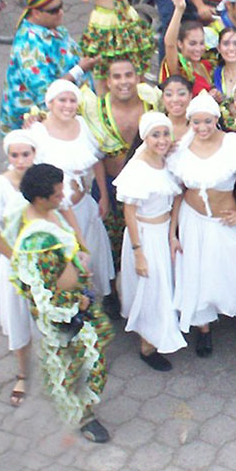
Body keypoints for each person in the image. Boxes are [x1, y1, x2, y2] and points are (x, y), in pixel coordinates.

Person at [168, 91, 236, 363]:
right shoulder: (181, 148)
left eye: (207, 121)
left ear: (216, 119)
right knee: (195, 273)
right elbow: (179, 192)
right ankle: (203, 328)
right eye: (196, 122)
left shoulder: (233, 145)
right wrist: (173, 232)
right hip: (192, 220)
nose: (202, 127)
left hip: (223, 222)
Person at [9, 163, 114, 443]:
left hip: (79, 298)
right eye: (57, 194)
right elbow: (41, 291)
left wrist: (80, 259)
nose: (62, 197)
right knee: (77, 362)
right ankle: (82, 417)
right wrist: (75, 304)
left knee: (93, 348)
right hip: (64, 310)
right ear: (40, 198)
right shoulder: (36, 241)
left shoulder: (48, 211)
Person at [79, 57, 163, 310]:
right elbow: (55, 98)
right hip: (110, 185)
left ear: (138, 77)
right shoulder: (94, 107)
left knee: (147, 240)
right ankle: (114, 293)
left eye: (128, 75)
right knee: (110, 242)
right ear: (107, 81)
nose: (123, 82)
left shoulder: (153, 101)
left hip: (148, 189)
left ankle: (151, 291)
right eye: (117, 76)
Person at [28, 80, 117, 297]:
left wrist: (103, 196)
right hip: (56, 213)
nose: (67, 106)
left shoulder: (82, 125)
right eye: (62, 100)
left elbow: (96, 160)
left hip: (84, 206)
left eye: (72, 100)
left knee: (91, 256)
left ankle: (95, 301)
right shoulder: (37, 132)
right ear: (50, 103)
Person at [114, 111, 186, 370]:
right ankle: (147, 346)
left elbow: (176, 197)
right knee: (151, 290)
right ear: (145, 137)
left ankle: (158, 332)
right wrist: (138, 252)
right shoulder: (137, 168)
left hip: (163, 232)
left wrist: (172, 234)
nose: (162, 139)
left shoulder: (166, 161)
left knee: (163, 287)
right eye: (156, 135)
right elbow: (129, 212)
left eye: (165, 133)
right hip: (145, 236)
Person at [0, 130, 40, 406]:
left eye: (25, 154)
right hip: (16, 261)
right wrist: (16, 258)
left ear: (34, 154)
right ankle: (23, 374)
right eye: (14, 155)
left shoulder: (41, 178)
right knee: (19, 320)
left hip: (45, 258)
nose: (20, 160)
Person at [0, 0, 97, 134]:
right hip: (38, 125)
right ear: (36, 13)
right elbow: (47, 92)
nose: (61, 13)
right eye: (54, 11)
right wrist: (80, 69)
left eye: (61, 7)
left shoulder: (51, 26)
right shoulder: (29, 45)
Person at [160, 0, 216, 96]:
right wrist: (179, 9)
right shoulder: (179, 67)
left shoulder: (205, 66)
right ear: (180, 44)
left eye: (201, 43)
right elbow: (170, 44)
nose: (198, 48)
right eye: (192, 43)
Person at [161, 73, 194, 142]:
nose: (175, 99)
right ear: (162, 98)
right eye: (169, 94)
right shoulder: (155, 125)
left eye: (181, 94)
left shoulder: (200, 124)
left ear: (190, 96)